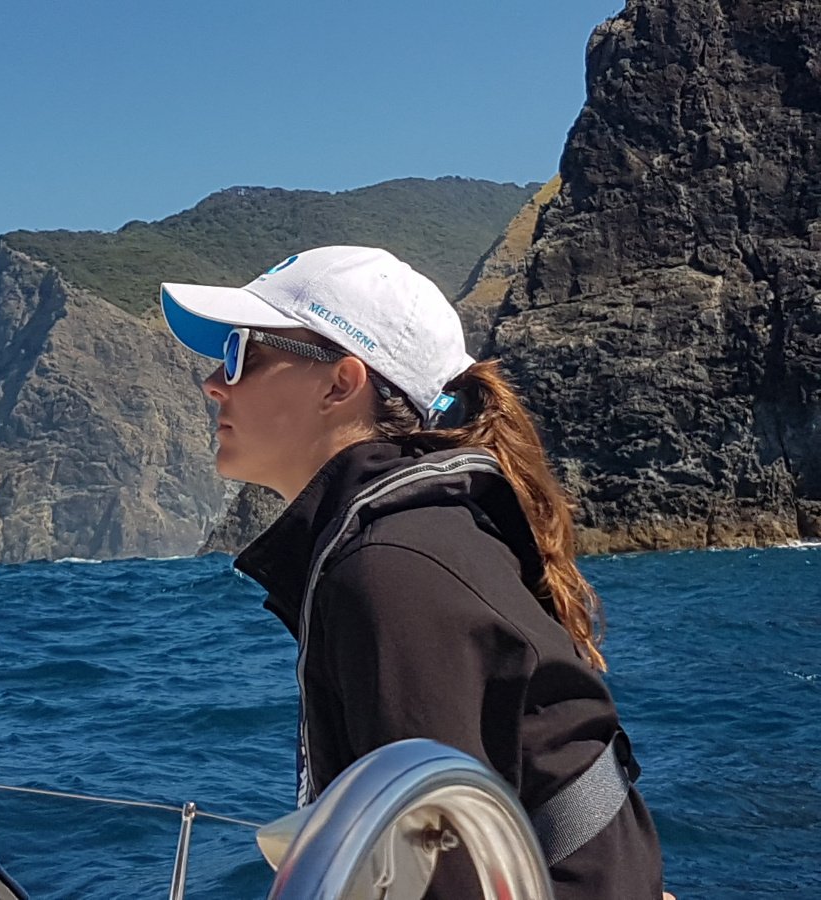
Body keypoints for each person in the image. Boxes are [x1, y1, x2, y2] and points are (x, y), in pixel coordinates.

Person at [159, 246, 665, 899]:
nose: (213, 382)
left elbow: (441, 881)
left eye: (242, 352)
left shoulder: (389, 571)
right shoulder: (410, 545)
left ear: (340, 383)